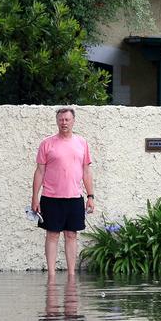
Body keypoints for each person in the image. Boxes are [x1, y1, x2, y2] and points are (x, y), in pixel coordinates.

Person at [32, 107, 95, 276]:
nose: (64, 123)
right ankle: (51, 275)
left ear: (73, 121)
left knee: (71, 235)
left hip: (74, 197)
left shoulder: (82, 143)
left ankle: (71, 275)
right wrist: (34, 198)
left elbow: (86, 172)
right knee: (52, 235)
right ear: (57, 121)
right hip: (51, 197)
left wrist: (90, 196)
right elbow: (39, 171)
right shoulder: (47, 143)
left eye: (67, 119)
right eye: (61, 119)